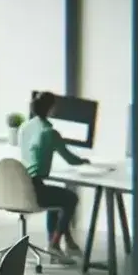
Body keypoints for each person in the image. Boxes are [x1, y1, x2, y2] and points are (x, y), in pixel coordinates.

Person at [19, 91, 89, 262]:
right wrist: (85, 161)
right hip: (35, 188)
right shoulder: (50, 132)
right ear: (52, 109)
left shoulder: (25, 127)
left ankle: (68, 243)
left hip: (22, 185)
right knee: (70, 198)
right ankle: (55, 244)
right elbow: (70, 159)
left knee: (58, 200)